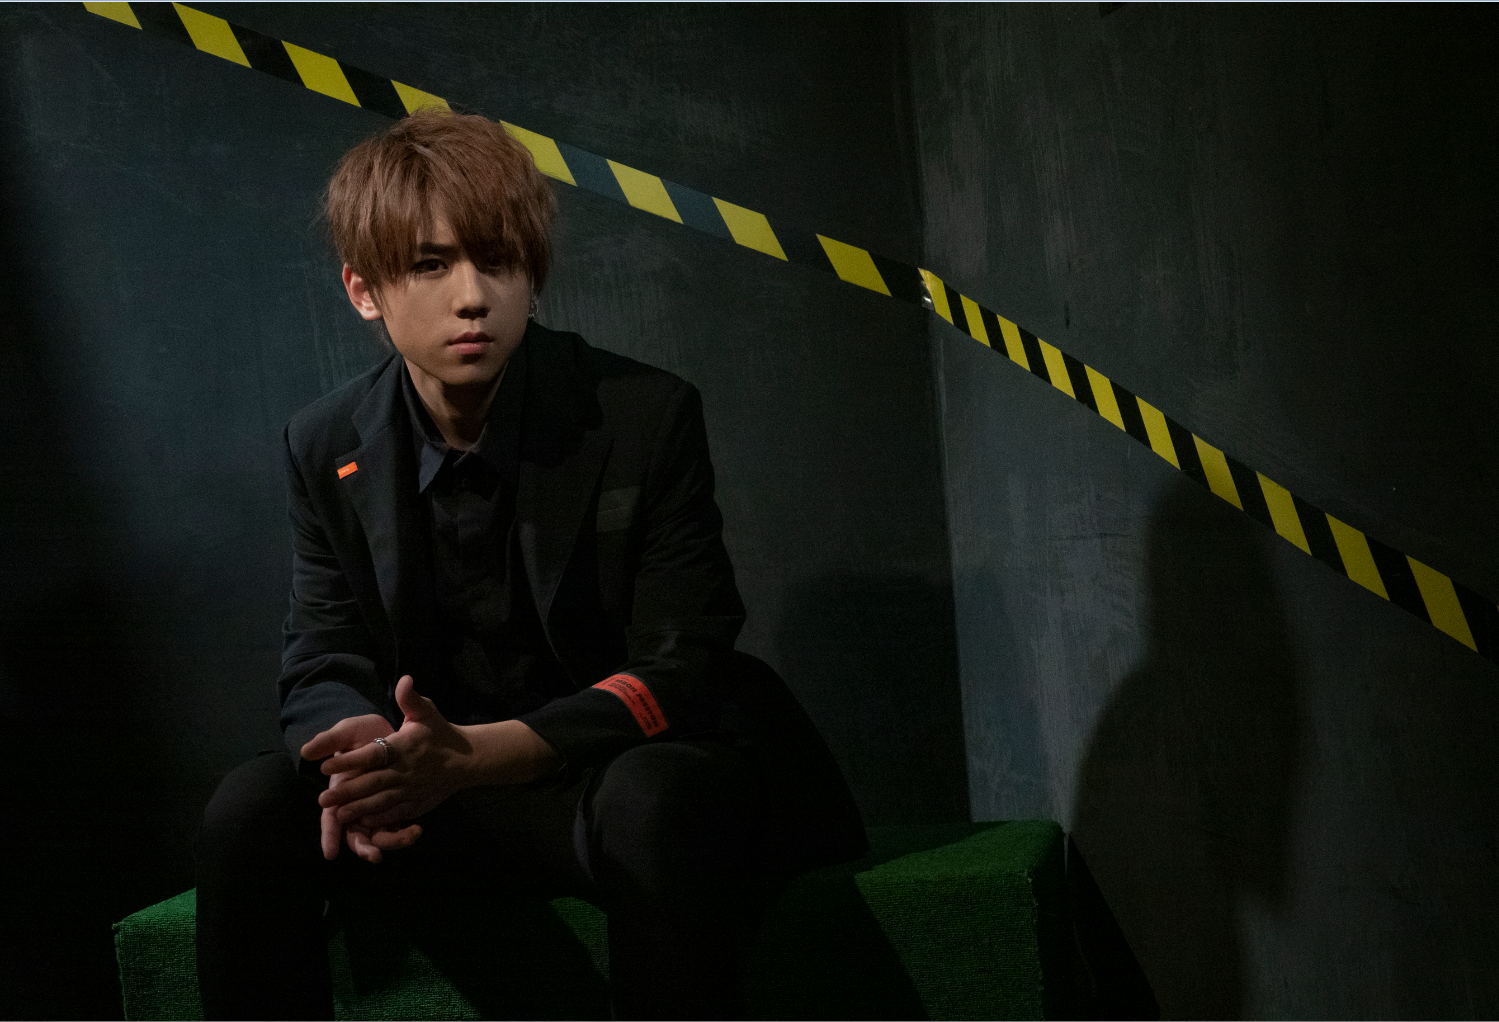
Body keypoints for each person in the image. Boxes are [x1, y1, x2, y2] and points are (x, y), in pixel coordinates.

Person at [194, 109, 865, 1020]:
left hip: (599, 772)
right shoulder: (324, 442)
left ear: (533, 275)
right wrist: (368, 759)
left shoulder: (643, 414)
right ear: (364, 289)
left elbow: (684, 659)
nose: (472, 296)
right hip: (432, 789)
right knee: (251, 807)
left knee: (653, 801)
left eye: (498, 260)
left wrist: (476, 757)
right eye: (430, 265)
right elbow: (321, 648)